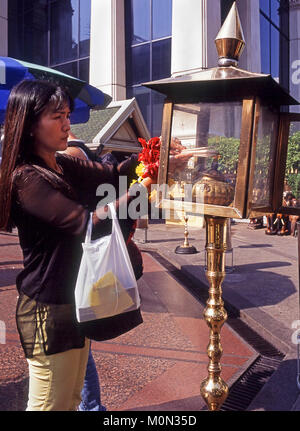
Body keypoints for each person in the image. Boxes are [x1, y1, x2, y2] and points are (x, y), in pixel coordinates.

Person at [0, 79, 154, 411]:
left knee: (69, 401)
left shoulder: (62, 164)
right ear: (29, 123)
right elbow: (84, 223)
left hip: (75, 301)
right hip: (47, 311)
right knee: (48, 404)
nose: (67, 125)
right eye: (58, 116)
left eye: (67, 115)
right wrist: (138, 193)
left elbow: (115, 174)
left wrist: (154, 159)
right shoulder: (26, 178)